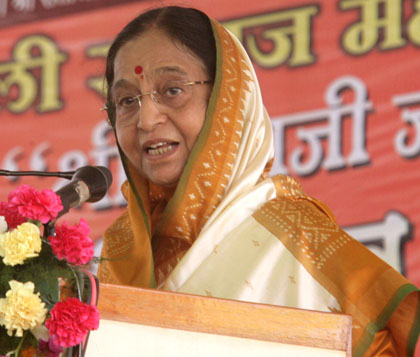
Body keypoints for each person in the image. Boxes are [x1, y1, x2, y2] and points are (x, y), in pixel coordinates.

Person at [97, 6, 420, 356]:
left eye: (173, 90)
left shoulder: (298, 239)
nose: (146, 119)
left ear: (227, 98)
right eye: (127, 100)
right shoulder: (123, 250)